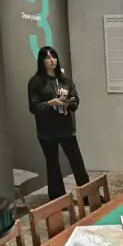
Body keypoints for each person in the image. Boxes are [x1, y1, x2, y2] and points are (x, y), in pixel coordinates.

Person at [28, 46, 89, 200]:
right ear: (42, 61)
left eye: (54, 56)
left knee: (77, 162)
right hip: (47, 130)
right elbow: (34, 107)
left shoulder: (65, 80)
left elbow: (75, 100)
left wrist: (69, 102)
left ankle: (88, 195)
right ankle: (58, 198)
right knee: (53, 164)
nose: (52, 60)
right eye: (48, 57)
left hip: (66, 127)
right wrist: (50, 103)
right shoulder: (35, 82)